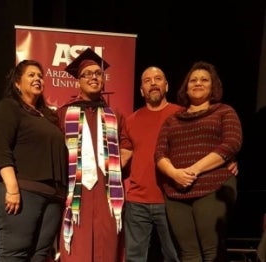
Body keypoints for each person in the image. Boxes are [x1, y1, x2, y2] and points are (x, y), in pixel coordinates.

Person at [154, 61, 243, 261]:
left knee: (212, 250)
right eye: (193, 80)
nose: (198, 83)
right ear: (186, 87)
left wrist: (193, 170)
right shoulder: (172, 120)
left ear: (213, 86)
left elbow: (231, 144)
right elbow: (159, 154)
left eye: (204, 80)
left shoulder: (224, 112)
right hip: (176, 190)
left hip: (213, 187)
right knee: (188, 253)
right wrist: (175, 173)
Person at [0, 59, 68, 261]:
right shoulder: (9, 107)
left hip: (53, 195)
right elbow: (1, 149)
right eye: (31, 75)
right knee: (15, 252)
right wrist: (12, 188)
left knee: (40, 255)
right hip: (23, 191)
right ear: (17, 83)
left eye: (40, 76)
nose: (37, 79)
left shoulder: (48, 116)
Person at [57, 48, 125, 261]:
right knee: (78, 247)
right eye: (88, 74)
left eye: (98, 74)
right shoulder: (64, 113)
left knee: (107, 245)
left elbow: (128, 146)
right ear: (78, 80)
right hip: (76, 191)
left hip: (107, 192)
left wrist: (112, 167)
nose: (94, 78)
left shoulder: (114, 115)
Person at [120, 66, 180, 262]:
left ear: (167, 85)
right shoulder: (131, 120)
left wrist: (228, 161)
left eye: (158, 79)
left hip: (171, 199)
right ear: (141, 90)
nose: (153, 83)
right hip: (137, 202)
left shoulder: (181, 115)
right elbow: (124, 156)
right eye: (147, 80)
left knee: (174, 256)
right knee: (134, 258)